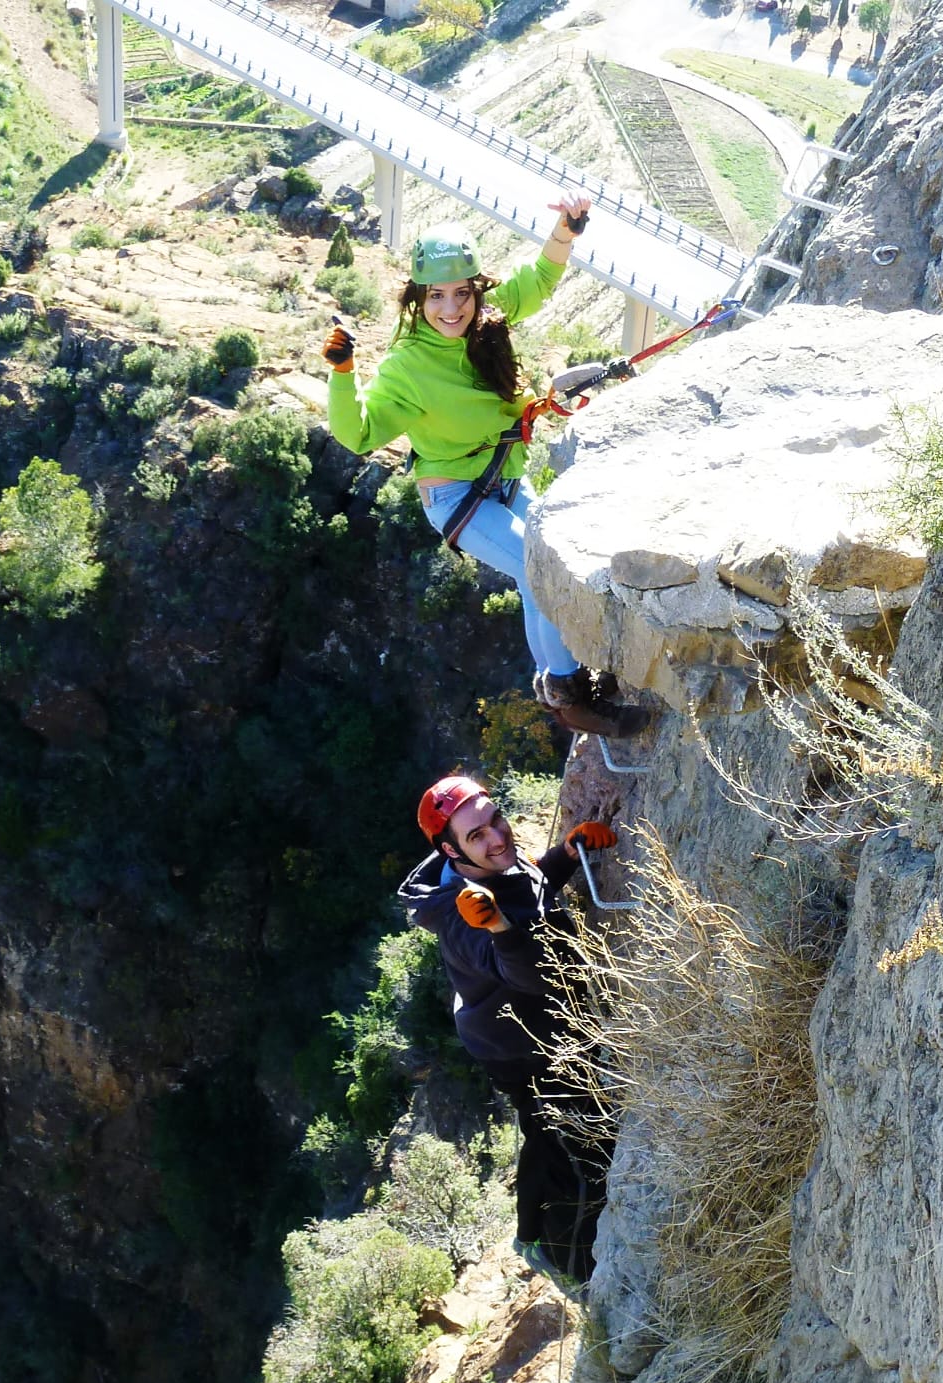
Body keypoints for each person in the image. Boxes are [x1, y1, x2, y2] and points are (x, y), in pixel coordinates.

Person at [323, 199, 646, 737]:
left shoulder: (487, 325)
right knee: (542, 570)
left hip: (503, 478)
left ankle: (562, 677)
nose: (451, 309)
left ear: (475, 290)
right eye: (437, 297)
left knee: (540, 572)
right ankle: (571, 696)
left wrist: (564, 232)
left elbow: (538, 281)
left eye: (462, 294)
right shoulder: (407, 367)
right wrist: (343, 371)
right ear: (417, 300)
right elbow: (358, 432)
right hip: (455, 498)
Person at [399, 774, 617, 1286]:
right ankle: (566, 1260)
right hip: (516, 1043)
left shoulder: (493, 863)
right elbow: (531, 975)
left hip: (527, 1025)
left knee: (550, 1129)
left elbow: (528, 888)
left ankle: (530, 1235)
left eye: (495, 819)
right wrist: (497, 928)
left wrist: (565, 854)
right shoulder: (460, 917)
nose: (497, 837)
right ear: (452, 851)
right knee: (570, 1143)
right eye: (477, 835)